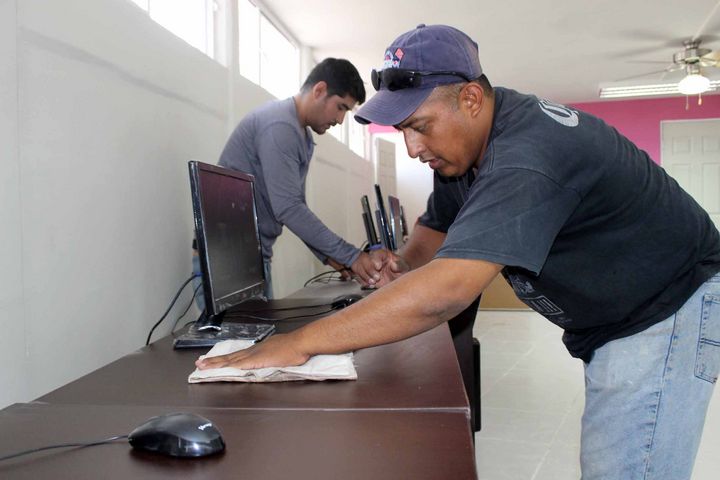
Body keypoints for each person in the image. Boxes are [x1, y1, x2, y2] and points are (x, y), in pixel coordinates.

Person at [197, 25, 720, 479]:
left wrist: (299, 343)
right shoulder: (465, 151)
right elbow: (435, 231)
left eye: (419, 127)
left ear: (470, 99)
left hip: (666, 307)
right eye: (402, 131)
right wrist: (402, 265)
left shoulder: (525, 155)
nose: (412, 148)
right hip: (618, 317)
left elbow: (448, 291)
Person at [195, 58, 382, 299]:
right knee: (248, 327)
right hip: (228, 262)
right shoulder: (280, 126)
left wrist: (330, 256)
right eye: (341, 107)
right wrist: (352, 256)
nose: (340, 120)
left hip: (249, 258)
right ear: (319, 90)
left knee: (265, 325)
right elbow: (289, 208)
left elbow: (295, 206)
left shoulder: (301, 135)